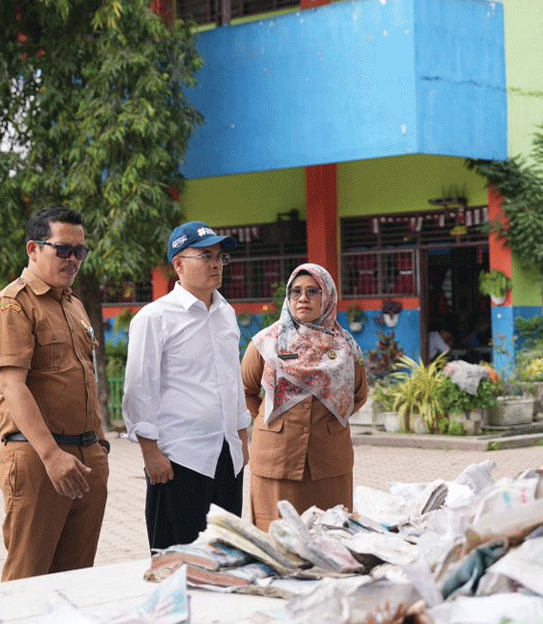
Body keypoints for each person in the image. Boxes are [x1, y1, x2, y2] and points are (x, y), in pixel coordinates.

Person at [0, 205, 109, 580]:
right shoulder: (13, 304)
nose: (73, 260)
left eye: (80, 252)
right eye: (63, 250)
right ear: (33, 249)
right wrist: (52, 455)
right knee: (29, 579)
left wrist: (99, 443)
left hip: (85, 457)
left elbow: (83, 378)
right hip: (40, 458)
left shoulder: (73, 305)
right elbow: (10, 385)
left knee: (76, 578)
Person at [122, 221, 249, 552]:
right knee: (177, 562)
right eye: (205, 255)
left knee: (226, 558)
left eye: (220, 257)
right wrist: (150, 453)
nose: (216, 264)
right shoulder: (155, 318)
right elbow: (139, 388)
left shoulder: (226, 313)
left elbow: (232, 378)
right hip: (180, 461)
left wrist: (241, 436)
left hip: (227, 456)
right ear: (178, 263)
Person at [241, 263, 368, 530]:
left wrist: (329, 416)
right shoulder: (267, 342)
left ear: (328, 297)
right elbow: (244, 391)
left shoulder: (346, 347)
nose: (303, 298)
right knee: (278, 538)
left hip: (329, 459)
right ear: (288, 298)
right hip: (278, 457)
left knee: (330, 538)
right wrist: (272, 421)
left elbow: (358, 395)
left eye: (313, 291)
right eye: (296, 291)